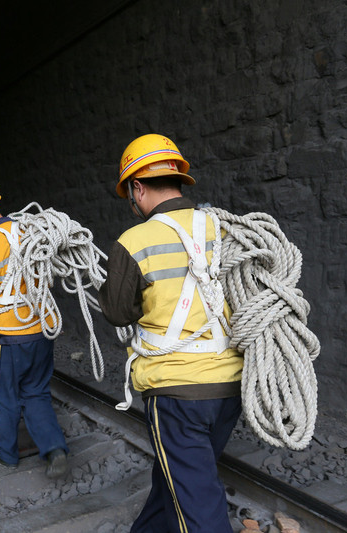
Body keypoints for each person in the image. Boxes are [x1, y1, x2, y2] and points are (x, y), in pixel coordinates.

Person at [97, 133, 243, 533]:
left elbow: (115, 311)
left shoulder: (135, 241)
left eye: (130, 193)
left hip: (177, 393)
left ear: (137, 188)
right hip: (230, 388)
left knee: (198, 503)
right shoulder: (224, 227)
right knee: (179, 479)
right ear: (178, 178)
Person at [0, 178, 69, 479]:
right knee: (36, 393)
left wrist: (1, 292)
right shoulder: (31, 231)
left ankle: (6, 454)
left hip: (10, 337)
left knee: (5, 397)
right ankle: (55, 449)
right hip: (42, 330)